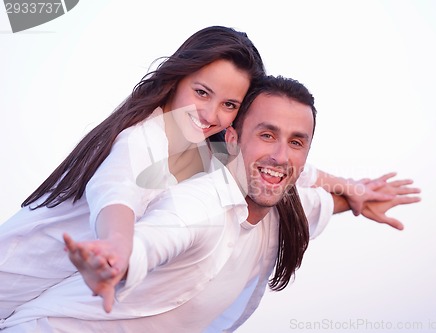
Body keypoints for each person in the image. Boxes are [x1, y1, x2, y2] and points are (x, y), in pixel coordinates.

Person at [0, 75, 421, 332]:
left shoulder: (287, 212)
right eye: (267, 134)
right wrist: (117, 259)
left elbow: (316, 194)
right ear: (233, 138)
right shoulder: (197, 203)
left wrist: (358, 196)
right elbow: (155, 236)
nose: (280, 155)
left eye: (297, 142)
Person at [0, 25, 266, 319]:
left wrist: (321, 180)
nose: (210, 114)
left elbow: (265, 160)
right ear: (177, 79)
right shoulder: (140, 139)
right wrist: (117, 245)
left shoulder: (204, 148)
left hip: (25, 304)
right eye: (202, 92)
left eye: (229, 105)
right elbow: (118, 191)